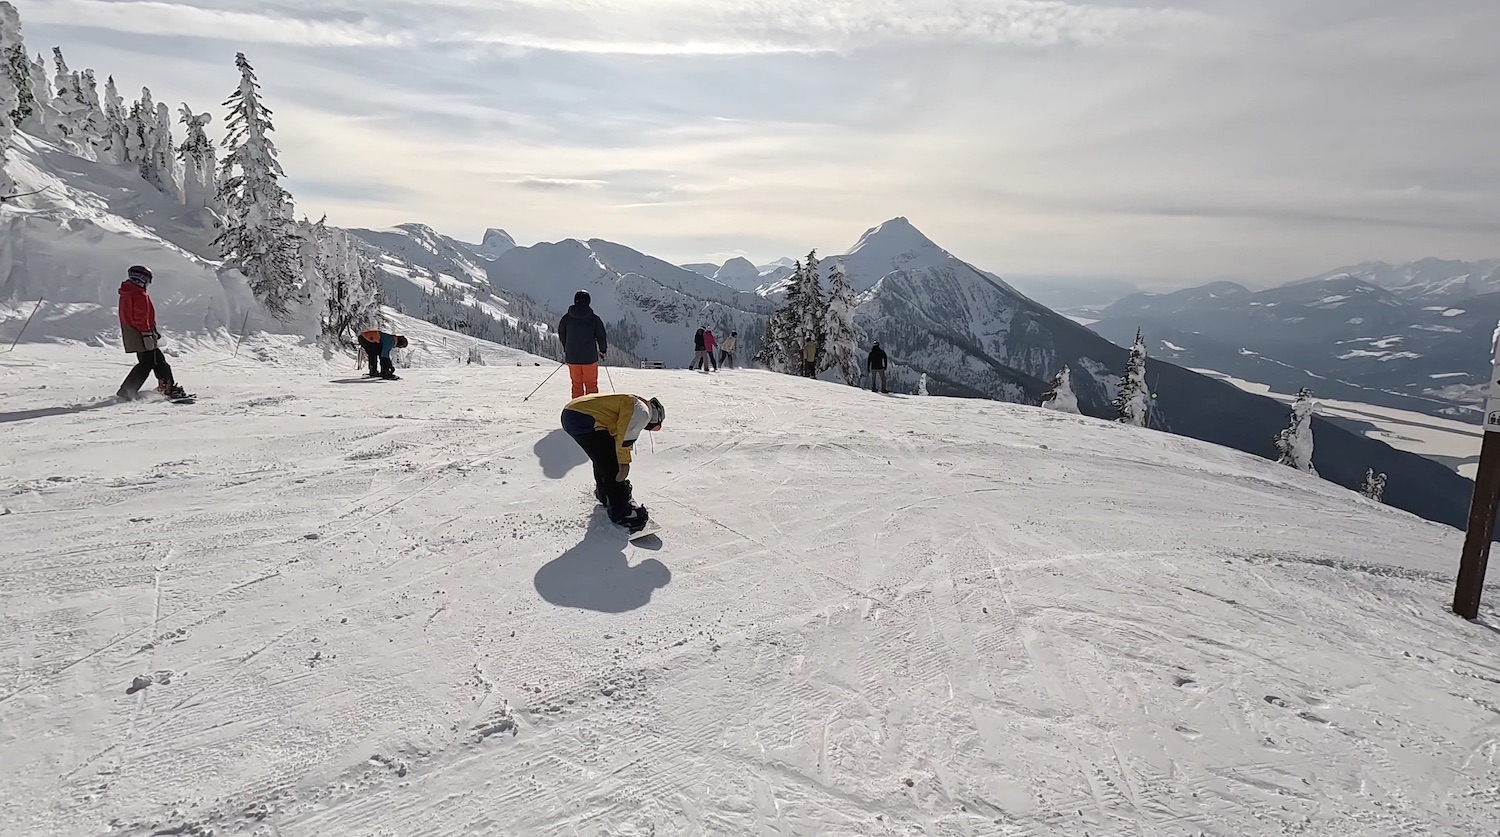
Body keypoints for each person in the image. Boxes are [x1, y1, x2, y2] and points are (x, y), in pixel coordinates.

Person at [560, 392, 665, 533]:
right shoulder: (643, 412)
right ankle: (622, 512)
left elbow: (617, 433)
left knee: (603, 458)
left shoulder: (634, 403)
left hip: (574, 415)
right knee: (612, 465)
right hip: (583, 419)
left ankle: (605, 495)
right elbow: (625, 436)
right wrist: (623, 463)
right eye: (655, 427)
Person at [116, 265, 188, 401]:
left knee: (152, 361)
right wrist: (147, 333)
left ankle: (133, 389)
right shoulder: (139, 294)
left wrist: (151, 331)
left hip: (133, 332)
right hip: (141, 333)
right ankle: (166, 388)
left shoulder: (127, 292)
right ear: (142, 279)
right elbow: (140, 316)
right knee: (153, 362)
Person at [558, 289, 608, 398]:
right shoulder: (594, 319)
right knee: (591, 385)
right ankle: (591, 410)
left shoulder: (566, 319)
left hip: (572, 358)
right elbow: (601, 336)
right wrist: (602, 350)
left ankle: (577, 410)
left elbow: (562, 334)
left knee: (576, 385)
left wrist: (567, 348)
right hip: (590, 358)